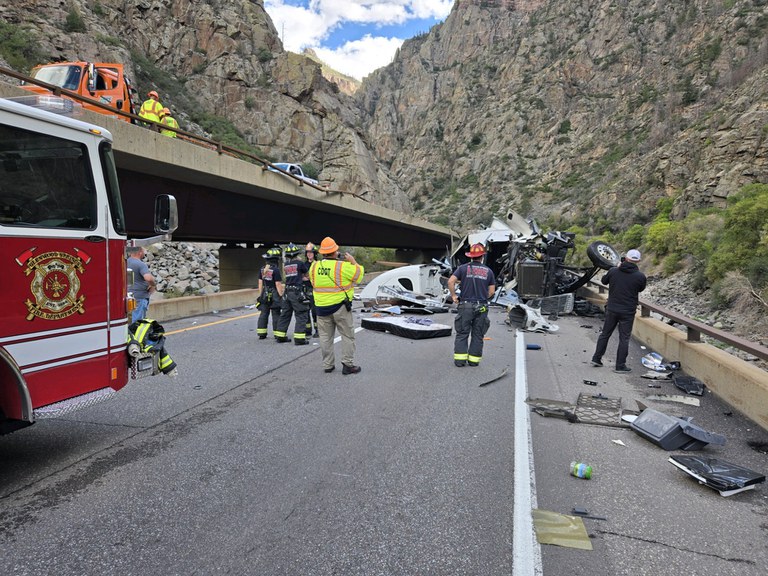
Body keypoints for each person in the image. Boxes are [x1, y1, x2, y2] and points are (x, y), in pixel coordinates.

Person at [309, 236, 364, 375]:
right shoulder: (342, 266)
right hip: (340, 308)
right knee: (347, 336)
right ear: (335, 252)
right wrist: (353, 262)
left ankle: (328, 365)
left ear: (322, 253)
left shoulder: (314, 266)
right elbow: (359, 276)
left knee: (325, 338)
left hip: (321, 308)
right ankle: (347, 365)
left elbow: (313, 282)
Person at [591, 249, 647, 373]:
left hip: (612, 308)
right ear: (638, 261)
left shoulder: (614, 271)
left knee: (605, 334)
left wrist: (616, 268)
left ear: (626, 258)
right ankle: (620, 365)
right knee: (624, 338)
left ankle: (596, 358)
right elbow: (641, 288)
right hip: (628, 311)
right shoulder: (640, 276)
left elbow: (604, 281)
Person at [448, 243, 496, 367]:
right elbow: (491, 292)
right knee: (478, 334)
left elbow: (450, 281)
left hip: (465, 306)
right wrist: (481, 298)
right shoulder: (489, 272)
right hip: (481, 306)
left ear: (471, 256)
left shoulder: (463, 268)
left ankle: (460, 361)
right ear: (482, 257)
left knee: (462, 333)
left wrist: (454, 296)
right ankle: (474, 361)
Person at [275, 243, 310, 345]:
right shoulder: (300, 263)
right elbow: (306, 275)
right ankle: (299, 338)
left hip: (287, 292)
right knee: (301, 313)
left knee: (285, 314)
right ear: (296, 253)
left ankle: (280, 336)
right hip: (297, 292)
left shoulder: (286, 265)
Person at [256, 247, 284, 340]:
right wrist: (281, 296)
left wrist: (260, 296)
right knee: (276, 313)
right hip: (274, 295)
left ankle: (261, 333)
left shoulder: (262, 269)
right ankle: (277, 333)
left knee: (264, 313)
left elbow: (260, 283)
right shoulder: (275, 270)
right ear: (275, 260)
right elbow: (278, 284)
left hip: (264, 294)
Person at [127, 245, 156, 323]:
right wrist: (153, 285)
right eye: (144, 251)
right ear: (140, 252)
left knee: (128, 320)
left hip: (128, 296)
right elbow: (148, 278)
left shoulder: (125, 262)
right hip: (139, 296)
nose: (145, 254)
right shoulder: (140, 264)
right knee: (137, 321)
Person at [303, 242, 319, 338]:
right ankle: (308, 330)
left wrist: (308, 277)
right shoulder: (303, 265)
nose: (309, 254)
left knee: (315, 311)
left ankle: (317, 330)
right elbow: (302, 277)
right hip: (305, 289)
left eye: (311, 252)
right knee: (305, 311)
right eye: (307, 252)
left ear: (315, 253)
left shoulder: (318, 264)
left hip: (315, 290)